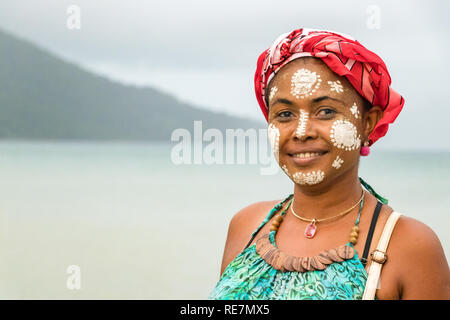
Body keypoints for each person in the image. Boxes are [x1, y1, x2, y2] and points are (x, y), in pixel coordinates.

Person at [208, 28, 450, 300]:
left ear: (367, 123)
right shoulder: (247, 226)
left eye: (325, 111)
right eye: (285, 114)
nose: (301, 131)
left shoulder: (408, 246)